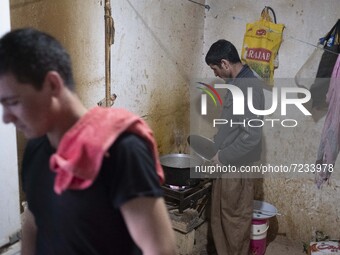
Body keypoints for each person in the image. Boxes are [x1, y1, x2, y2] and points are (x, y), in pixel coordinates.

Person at [0, 28, 176, 255]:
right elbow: (34, 222)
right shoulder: (36, 149)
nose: (6, 117)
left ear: (53, 84)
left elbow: (160, 250)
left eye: (12, 101)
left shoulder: (121, 150)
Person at [205, 39, 265, 255]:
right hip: (227, 163)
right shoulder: (237, 83)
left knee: (234, 223)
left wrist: (223, 156)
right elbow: (232, 123)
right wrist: (215, 146)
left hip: (237, 167)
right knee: (221, 219)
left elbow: (251, 136)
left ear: (225, 63)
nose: (215, 74)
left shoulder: (248, 87)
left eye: (215, 69)